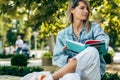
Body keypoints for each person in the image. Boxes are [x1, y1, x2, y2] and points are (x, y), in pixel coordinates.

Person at [21, 0, 109, 80]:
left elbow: (104, 44)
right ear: (72, 10)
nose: (86, 11)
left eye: (87, 9)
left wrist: (82, 50)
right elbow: (57, 57)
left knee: (92, 51)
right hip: (72, 72)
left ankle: (51, 78)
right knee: (71, 77)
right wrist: (69, 60)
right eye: (82, 8)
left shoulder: (94, 28)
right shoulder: (62, 34)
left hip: (91, 73)